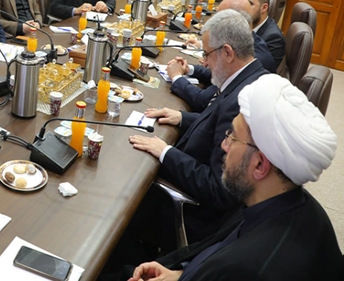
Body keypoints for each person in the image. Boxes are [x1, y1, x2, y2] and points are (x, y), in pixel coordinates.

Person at [119, 74, 341, 281]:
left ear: (260, 165)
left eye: (233, 137)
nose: (224, 145)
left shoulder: (246, 268)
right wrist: (180, 274)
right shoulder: (297, 206)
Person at [128, 10, 268, 248]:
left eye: (207, 54)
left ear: (227, 53)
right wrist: (182, 118)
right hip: (193, 188)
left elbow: (219, 188)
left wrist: (165, 152)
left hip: (192, 213)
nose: (204, 63)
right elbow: (215, 124)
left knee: (120, 186)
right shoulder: (249, 77)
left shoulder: (240, 100)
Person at [167, 0, 276, 112]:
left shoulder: (252, 57)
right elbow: (220, 73)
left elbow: (204, 101)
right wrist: (190, 69)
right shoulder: (246, 44)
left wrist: (177, 77)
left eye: (219, 18)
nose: (205, 63)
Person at [241, 0, 285, 68]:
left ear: (264, 8)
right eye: (242, 3)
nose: (243, 8)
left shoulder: (274, 38)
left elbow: (257, 69)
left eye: (249, 4)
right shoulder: (245, 26)